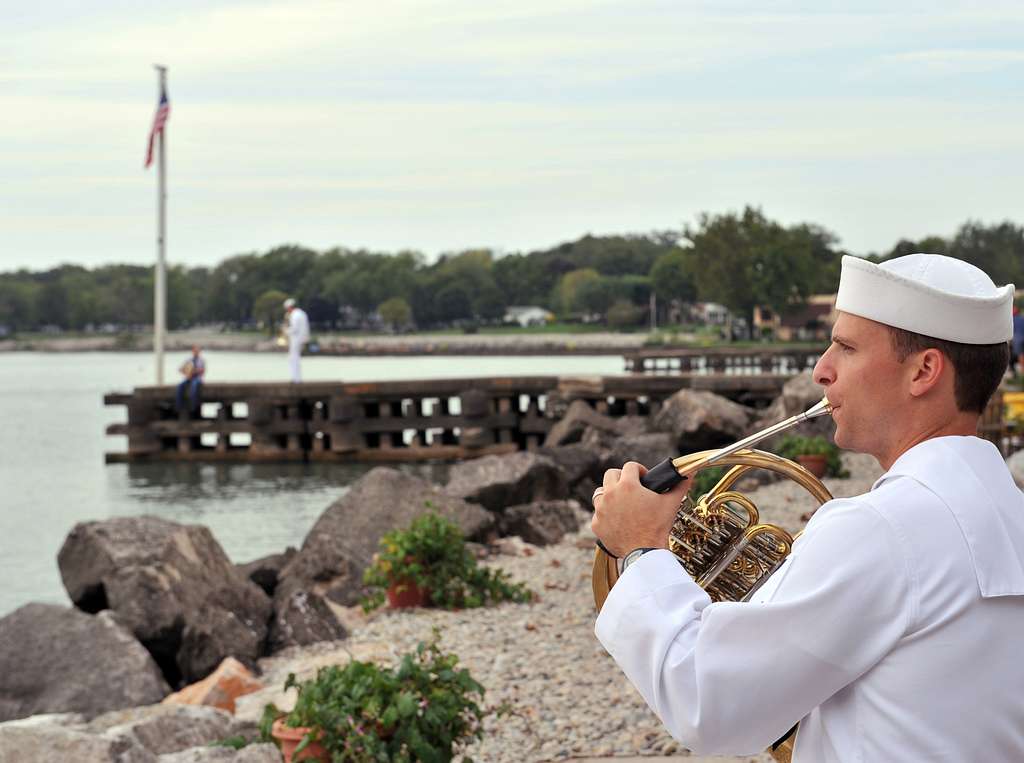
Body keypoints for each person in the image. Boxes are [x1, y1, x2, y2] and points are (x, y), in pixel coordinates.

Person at [591, 253, 1024, 762]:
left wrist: (641, 549)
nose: (821, 370)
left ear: (924, 370)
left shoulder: (883, 528)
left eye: (846, 347)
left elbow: (709, 704)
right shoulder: (1009, 512)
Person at [283, 297, 310, 382]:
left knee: (293, 358)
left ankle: (296, 379)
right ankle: (297, 378)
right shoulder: (302, 313)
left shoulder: (295, 315)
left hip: (295, 339)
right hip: (301, 338)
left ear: (290, 307)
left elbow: (294, 328)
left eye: (287, 309)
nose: (287, 310)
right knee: (295, 358)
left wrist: (285, 330)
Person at [175, 344, 205, 416]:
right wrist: (186, 372)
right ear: (192, 351)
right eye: (195, 351)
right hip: (188, 377)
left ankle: (193, 406)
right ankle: (178, 406)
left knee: (194, 387)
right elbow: (180, 369)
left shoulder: (201, 360)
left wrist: (193, 371)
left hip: (197, 378)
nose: (196, 352)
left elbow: (202, 371)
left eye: (197, 351)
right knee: (180, 386)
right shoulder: (189, 360)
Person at [1012, 304, 1024, 375]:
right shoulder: (1022, 318)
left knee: (1021, 355)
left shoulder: (1012, 320)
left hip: (1018, 340)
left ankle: (1023, 372)